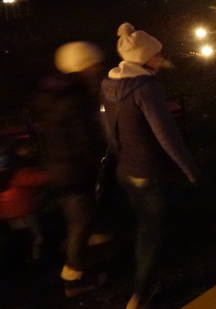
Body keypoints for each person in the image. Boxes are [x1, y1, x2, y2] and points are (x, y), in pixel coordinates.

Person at [101, 23, 199, 309]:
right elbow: (166, 133)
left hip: (126, 170)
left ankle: (150, 278)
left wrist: (121, 156)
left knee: (144, 223)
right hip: (147, 171)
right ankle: (141, 293)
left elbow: (108, 128)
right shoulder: (146, 88)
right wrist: (189, 168)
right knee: (150, 233)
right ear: (144, 58)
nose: (161, 58)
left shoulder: (109, 84)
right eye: (157, 54)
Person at [34, 41, 108, 296]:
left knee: (78, 221)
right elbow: (83, 138)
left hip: (58, 168)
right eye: (94, 66)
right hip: (73, 171)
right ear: (81, 67)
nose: (97, 71)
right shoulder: (75, 98)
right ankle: (74, 278)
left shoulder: (52, 94)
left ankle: (79, 258)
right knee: (81, 223)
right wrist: (99, 161)